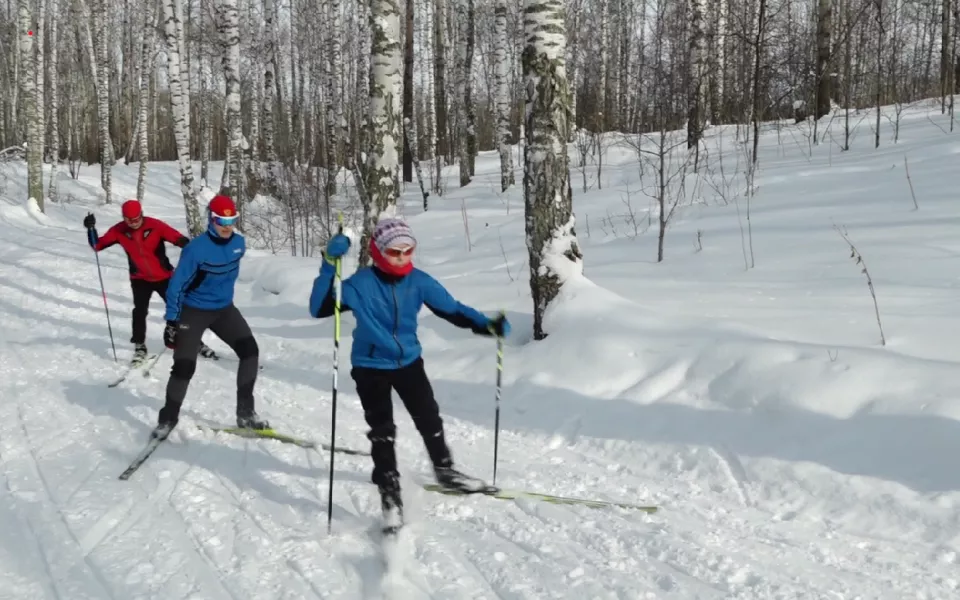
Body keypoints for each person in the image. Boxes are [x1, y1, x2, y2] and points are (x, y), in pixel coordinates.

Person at [309, 217, 511, 527]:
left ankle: (445, 470)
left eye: (408, 251)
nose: (402, 257)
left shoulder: (419, 281)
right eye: (394, 252)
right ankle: (389, 493)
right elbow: (320, 307)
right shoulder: (360, 285)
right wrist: (330, 262)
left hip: (408, 362)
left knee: (428, 416)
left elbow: (452, 309)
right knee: (382, 430)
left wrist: (486, 325)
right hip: (370, 365)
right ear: (378, 252)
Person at [152, 195, 268, 441]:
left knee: (250, 352)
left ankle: (246, 413)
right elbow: (176, 286)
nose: (227, 226)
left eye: (232, 220)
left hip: (224, 309)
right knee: (184, 366)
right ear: (210, 220)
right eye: (221, 220)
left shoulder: (239, 244)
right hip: (193, 311)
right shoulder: (196, 250)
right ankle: (168, 418)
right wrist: (172, 320)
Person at [84, 199, 218, 364]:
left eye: (136, 219)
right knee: (139, 312)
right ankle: (140, 346)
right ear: (124, 218)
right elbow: (97, 245)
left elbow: (179, 239)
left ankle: (195, 342)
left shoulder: (155, 226)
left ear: (141, 214)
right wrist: (91, 229)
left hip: (165, 277)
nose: (133, 223)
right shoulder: (119, 230)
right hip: (139, 279)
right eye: (128, 220)